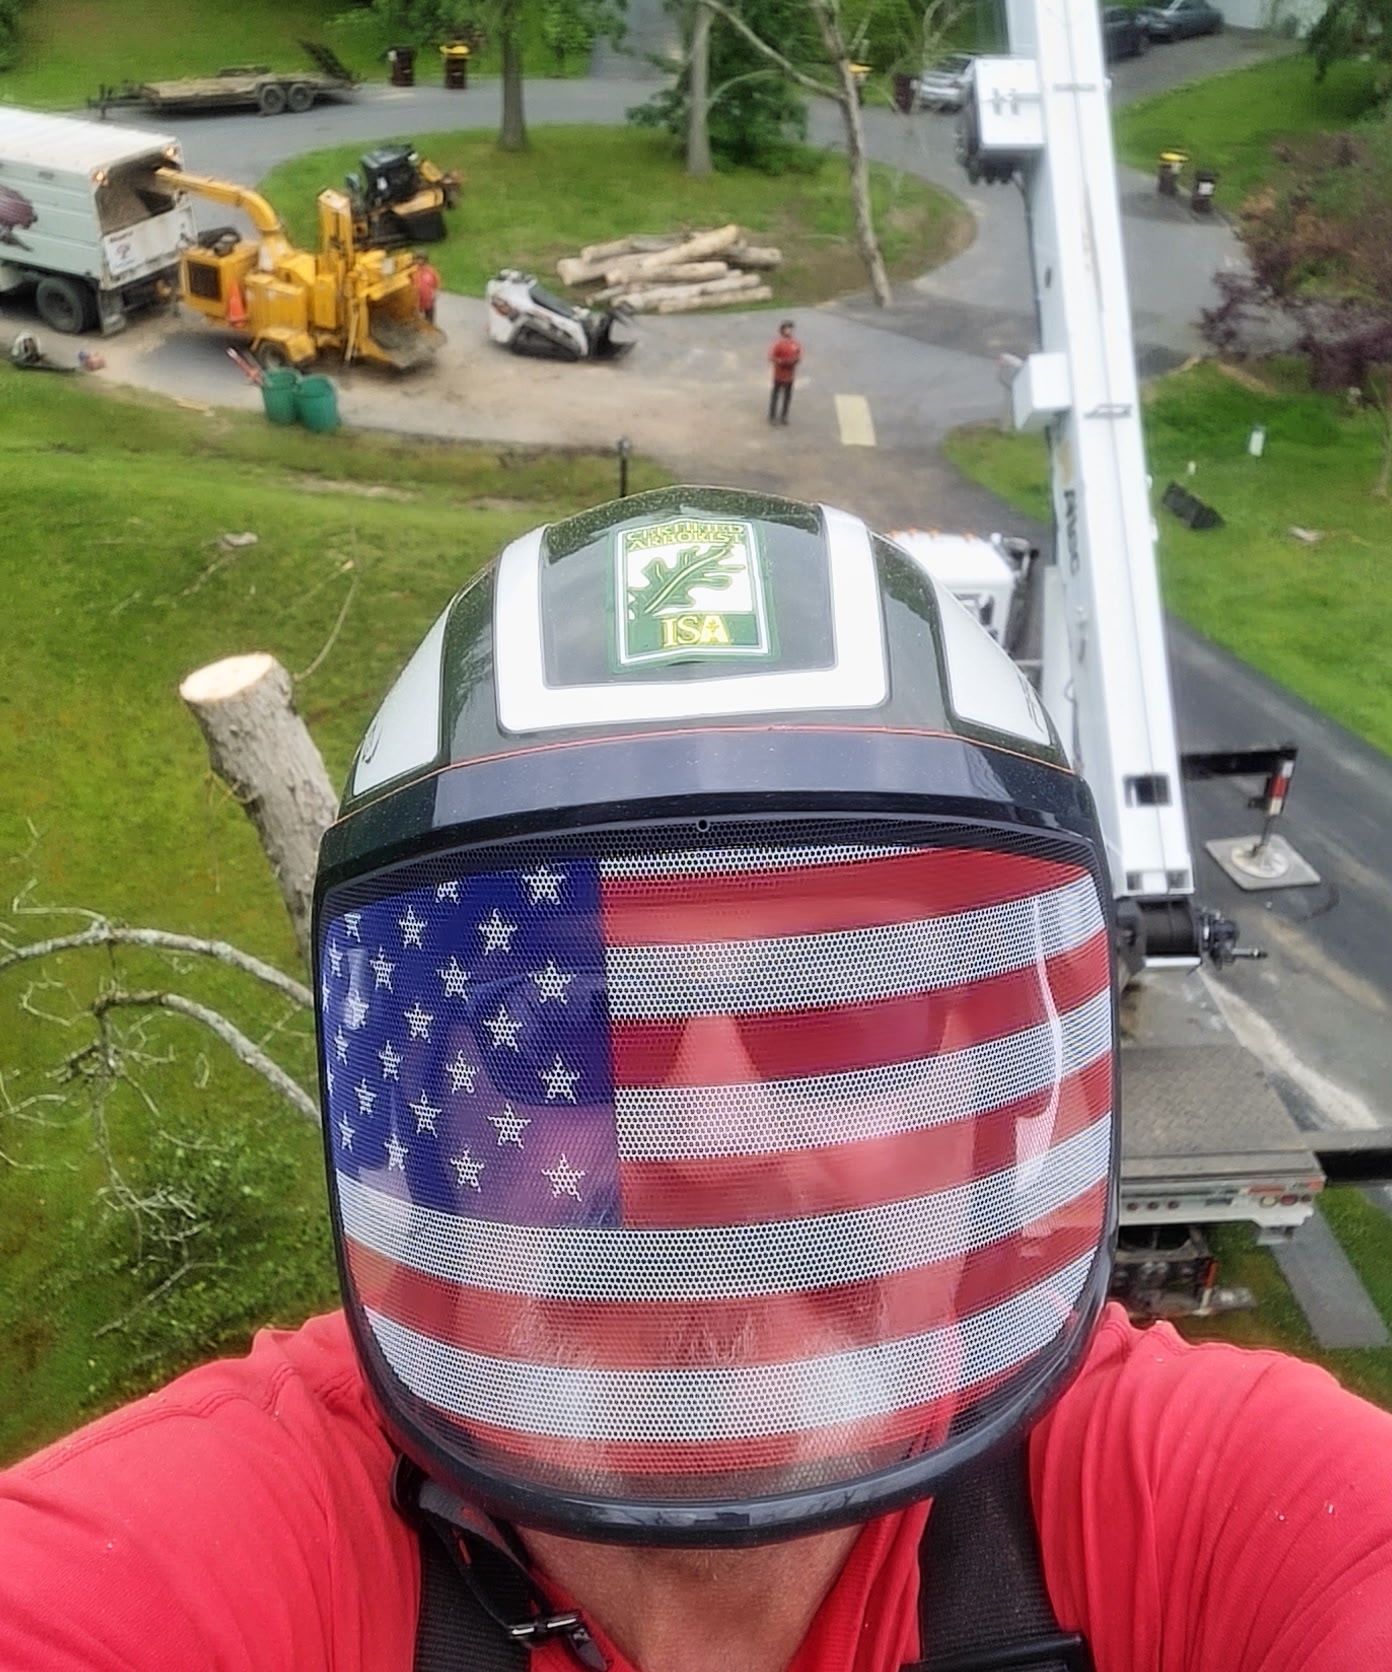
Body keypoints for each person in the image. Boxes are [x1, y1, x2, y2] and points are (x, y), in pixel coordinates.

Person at [3, 485, 1392, 1671]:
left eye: (842, 1007)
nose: (708, 1139)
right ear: (422, 1099)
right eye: (551, 1032)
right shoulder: (220, 1548)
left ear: (1006, 1092)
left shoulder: (1208, 1518)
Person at [768, 319, 802, 425]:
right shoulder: (778, 344)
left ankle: (784, 416)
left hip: (790, 376)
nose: (789, 331)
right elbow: (771, 357)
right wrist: (781, 361)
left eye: (790, 329)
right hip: (779, 375)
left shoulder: (795, 344)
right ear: (782, 330)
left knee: (787, 397)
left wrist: (795, 360)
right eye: (787, 329)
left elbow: (799, 355)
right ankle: (772, 416)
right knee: (775, 395)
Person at [413, 253, 440, 325]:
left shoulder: (431, 271)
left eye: (420, 259)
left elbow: (437, 283)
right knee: (416, 318)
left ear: (425, 260)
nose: (419, 261)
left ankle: (430, 328)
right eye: (417, 259)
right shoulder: (413, 271)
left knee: (429, 317)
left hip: (428, 299)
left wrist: (435, 294)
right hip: (416, 299)